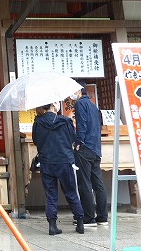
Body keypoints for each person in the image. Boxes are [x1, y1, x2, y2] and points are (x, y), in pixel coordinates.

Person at [32, 102, 85, 235]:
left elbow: (36, 141)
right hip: (65, 161)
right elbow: (73, 138)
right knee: (71, 192)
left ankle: (52, 225)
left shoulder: (38, 122)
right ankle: (80, 223)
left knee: (51, 195)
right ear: (53, 106)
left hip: (46, 162)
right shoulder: (65, 121)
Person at [72, 83, 108, 228]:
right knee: (98, 183)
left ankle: (88, 218)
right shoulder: (93, 106)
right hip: (95, 148)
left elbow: (82, 125)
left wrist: (78, 142)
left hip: (85, 148)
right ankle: (102, 217)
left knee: (85, 183)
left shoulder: (80, 104)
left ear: (78, 91)